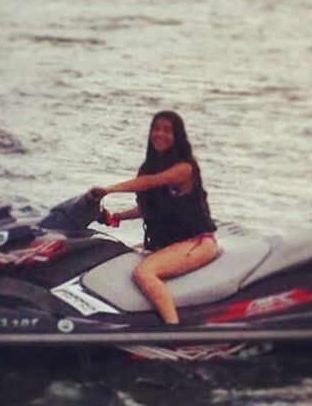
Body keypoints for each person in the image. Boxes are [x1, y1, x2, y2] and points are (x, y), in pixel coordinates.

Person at [88, 111, 218, 325]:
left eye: (168, 130)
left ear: (178, 136)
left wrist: (108, 190)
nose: (160, 134)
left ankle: (173, 331)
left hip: (196, 242)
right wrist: (117, 216)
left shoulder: (184, 168)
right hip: (164, 244)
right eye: (156, 129)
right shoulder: (148, 167)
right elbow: (148, 206)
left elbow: (151, 182)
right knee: (113, 256)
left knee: (144, 273)